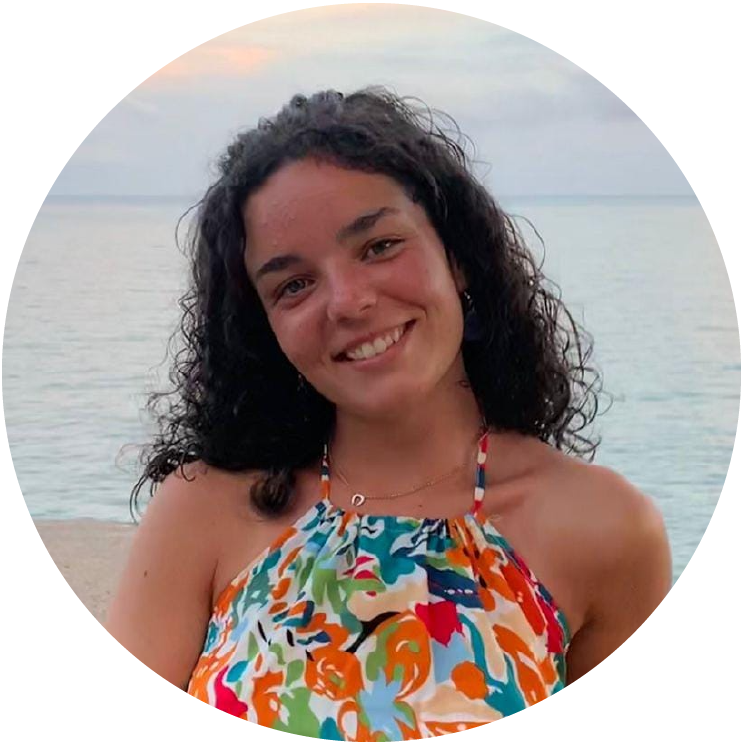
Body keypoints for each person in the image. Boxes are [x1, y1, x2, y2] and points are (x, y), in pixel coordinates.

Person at [105, 87, 672, 744]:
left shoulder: (605, 528)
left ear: (456, 254)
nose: (347, 301)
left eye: (378, 245)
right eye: (294, 285)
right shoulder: (201, 513)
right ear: (265, 329)